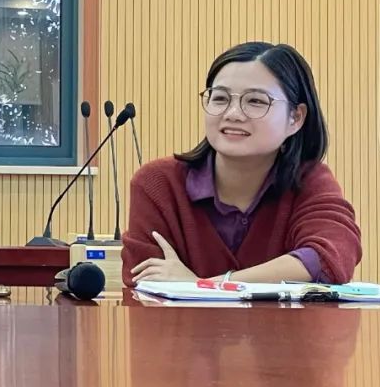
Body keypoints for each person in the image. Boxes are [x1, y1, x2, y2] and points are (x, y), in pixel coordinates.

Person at [122, 41, 361, 286]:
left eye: (255, 101)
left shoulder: (309, 181)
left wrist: (204, 287)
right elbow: (143, 283)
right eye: (220, 98)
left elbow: (329, 257)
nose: (233, 113)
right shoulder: (158, 184)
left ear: (295, 118)